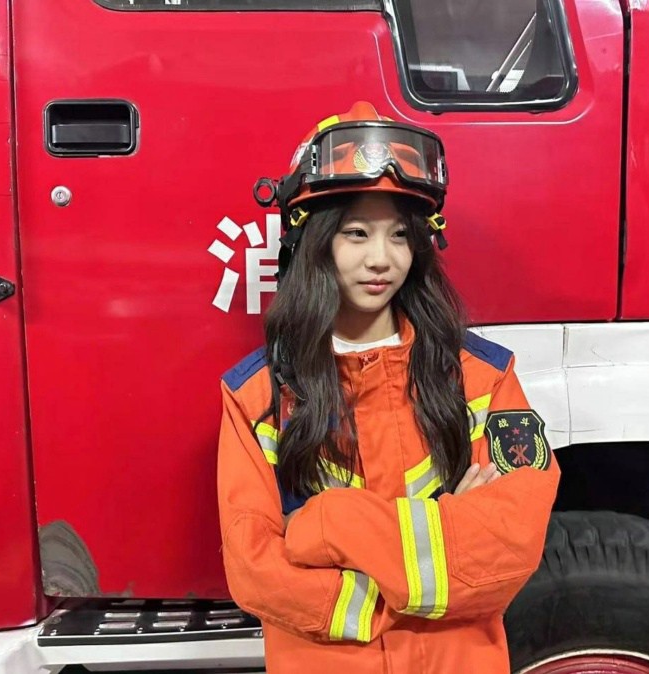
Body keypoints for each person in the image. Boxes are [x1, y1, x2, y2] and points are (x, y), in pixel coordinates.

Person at [217, 101, 560, 674]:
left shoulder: (481, 377)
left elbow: (510, 547)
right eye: (356, 233)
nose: (381, 259)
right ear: (314, 242)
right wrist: (440, 551)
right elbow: (255, 572)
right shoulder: (257, 397)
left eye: (399, 236)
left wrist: (327, 523)